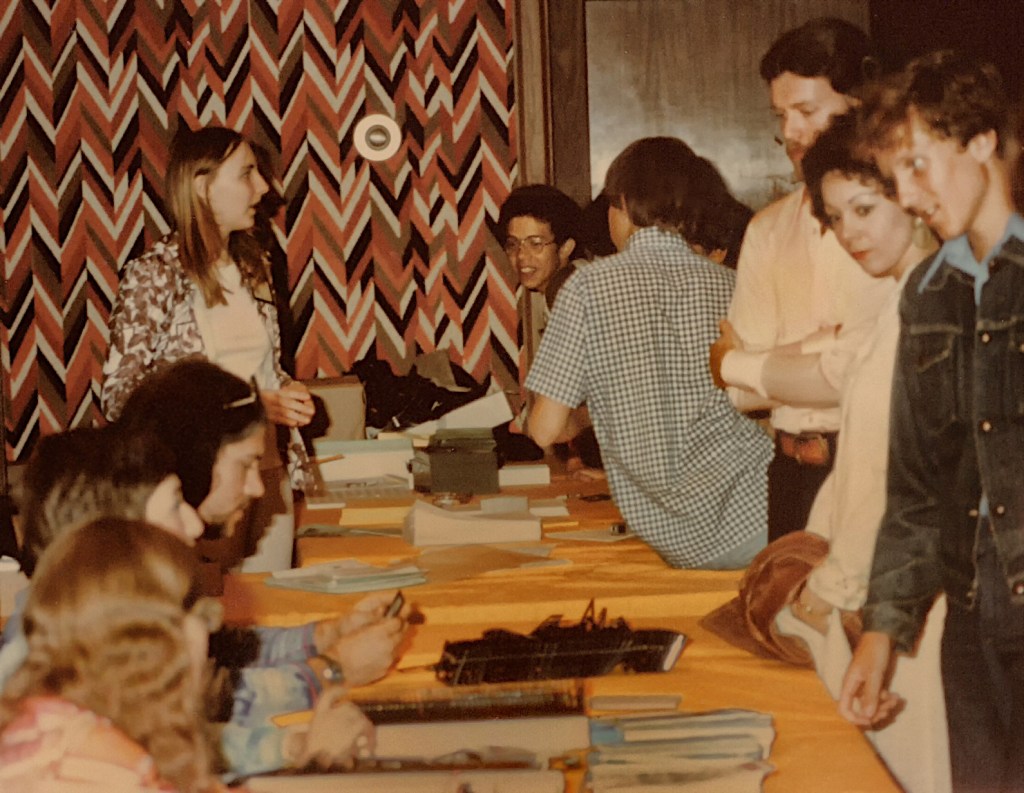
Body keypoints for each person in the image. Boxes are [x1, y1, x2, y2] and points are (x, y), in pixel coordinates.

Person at [728, 112, 948, 793]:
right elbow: (832, 379)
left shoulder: (922, 308)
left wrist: (833, 588)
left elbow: (884, 474)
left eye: (864, 209)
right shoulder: (910, 300)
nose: (850, 233)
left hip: (901, 593)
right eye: (834, 217)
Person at [837, 51, 1024, 793]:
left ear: (981, 140)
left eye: (918, 165)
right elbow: (916, 489)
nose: (909, 196)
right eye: (896, 177)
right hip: (973, 625)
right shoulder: (930, 291)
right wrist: (882, 633)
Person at [526, 136, 773, 570]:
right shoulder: (731, 284)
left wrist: (584, 414)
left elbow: (545, 429)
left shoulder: (586, 287)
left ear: (623, 203)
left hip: (681, 538)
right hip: (762, 513)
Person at [102, 125, 314, 573]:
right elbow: (120, 397)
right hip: (203, 486)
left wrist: (286, 391)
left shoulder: (255, 265)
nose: (264, 187)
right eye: (247, 174)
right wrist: (250, 404)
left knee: (273, 601)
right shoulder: (154, 275)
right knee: (211, 606)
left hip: (267, 473)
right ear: (202, 187)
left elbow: (264, 368)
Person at [713, 18, 893, 542]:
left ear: (859, 105)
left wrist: (744, 363)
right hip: (792, 477)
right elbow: (741, 397)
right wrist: (821, 347)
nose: (790, 133)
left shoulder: (898, 221)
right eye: (781, 115)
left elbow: (860, 370)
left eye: (807, 112)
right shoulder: (768, 229)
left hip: (880, 473)